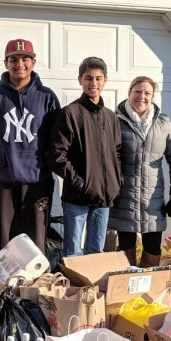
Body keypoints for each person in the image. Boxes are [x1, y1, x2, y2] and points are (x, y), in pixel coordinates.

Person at [0, 38, 61, 256]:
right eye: (13, 59)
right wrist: (0, 163)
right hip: (2, 181)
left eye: (25, 58)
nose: (20, 64)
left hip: (38, 180)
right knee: (3, 241)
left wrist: (44, 165)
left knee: (36, 241)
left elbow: (55, 140)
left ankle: (35, 287)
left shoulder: (47, 97)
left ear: (34, 62)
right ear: (6, 63)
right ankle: (1, 286)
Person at [108, 76, 171, 267]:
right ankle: (125, 287)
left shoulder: (164, 124)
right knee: (126, 246)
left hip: (153, 198)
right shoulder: (114, 121)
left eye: (147, 93)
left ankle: (149, 290)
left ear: (152, 96)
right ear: (129, 93)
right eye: (137, 91)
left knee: (153, 247)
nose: (142, 96)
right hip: (123, 196)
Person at [49, 56, 122, 257]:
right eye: (88, 78)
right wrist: (82, 184)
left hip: (103, 198)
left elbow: (116, 152)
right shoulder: (70, 113)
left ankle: (91, 289)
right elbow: (57, 155)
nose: (94, 83)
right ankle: (73, 289)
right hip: (77, 198)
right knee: (73, 253)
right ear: (80, 79)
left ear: (105, 80)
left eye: (98, 78)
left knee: (96, 253)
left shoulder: (111, 116)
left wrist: (116, 182)